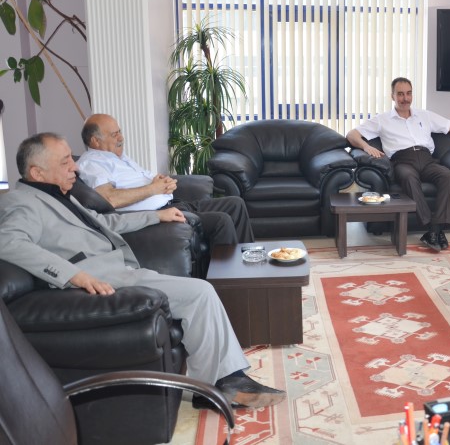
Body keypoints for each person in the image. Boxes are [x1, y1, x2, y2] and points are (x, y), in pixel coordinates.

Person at [0, 133, 284, 408]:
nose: (74, 166)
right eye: (65, 162)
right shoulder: (21, 201)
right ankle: (224, 384)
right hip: (100, 279)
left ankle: (223, 381)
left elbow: (104, 222)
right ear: (36, 172)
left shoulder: (60, 196)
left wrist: (156, 216)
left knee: (199, 294)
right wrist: (73, 275)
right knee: (200, 292)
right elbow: (8, 242)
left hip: (117, 270)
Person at [346, 77, 450, 251]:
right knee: (409, 178)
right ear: (392, 96)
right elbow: (352, 134)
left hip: (427, 160)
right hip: (403, 161)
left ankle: (434, 230)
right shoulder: (382, 119)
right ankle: (432, 228)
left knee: (448, 176)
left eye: (408, 93)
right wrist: (366, 146)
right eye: (400, 94)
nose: (405, 98)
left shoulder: (424, 115)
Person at [76, 113, 254, 245]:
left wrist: (163, 183)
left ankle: (249, 261)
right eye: (114, 134)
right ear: (95, 141)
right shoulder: (91, 163)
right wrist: (154, 189)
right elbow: (109, 199)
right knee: (221, 221)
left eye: (120, 132)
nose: (121, 137)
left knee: (235, 204)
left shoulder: (119, 158)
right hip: (156, 216)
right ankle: (228, 280)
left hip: (173, 204)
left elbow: (147, 180)